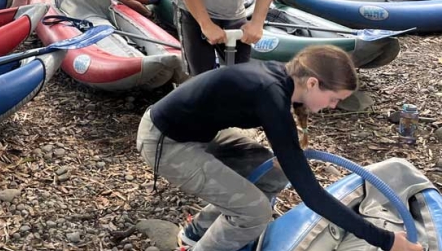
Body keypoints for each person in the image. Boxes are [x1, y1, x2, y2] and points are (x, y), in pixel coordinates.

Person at [136, 45, 421, 251]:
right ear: (312, 82)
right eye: (334, 99)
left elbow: (280, 139)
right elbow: (313, 196)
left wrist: (287, 153)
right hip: (166, 141)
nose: (332, 107)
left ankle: (197, 230)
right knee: (255, 213)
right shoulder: (271, 95)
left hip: (196, 132)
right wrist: (385, 240)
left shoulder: (281, 81)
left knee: (274, 174)